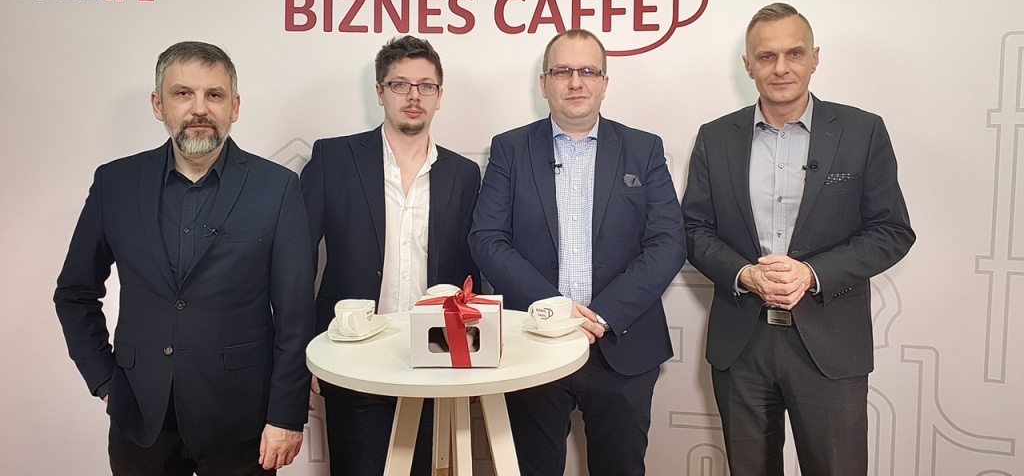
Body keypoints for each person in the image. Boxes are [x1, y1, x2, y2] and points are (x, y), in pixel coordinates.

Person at [53, 41, 315, 475]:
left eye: (214, 95)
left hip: (242, 421)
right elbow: (75, 293)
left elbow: (296, 314)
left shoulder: (277, 188)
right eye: (182, 94)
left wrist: (286, 415)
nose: (199, 109)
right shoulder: (115, 183)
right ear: (159, 104)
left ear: (235, 107)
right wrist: (103, 380)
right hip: (139, 418)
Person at [681, 2, 916, 476]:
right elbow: (693, 229)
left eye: (794, 53)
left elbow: (892, 231)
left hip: (829, 343)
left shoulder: (862, 131)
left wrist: (811, 274)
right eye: (766, 56)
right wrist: (745, 274)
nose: (781, 68)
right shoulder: (715, 137)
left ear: (815, 58)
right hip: (741, 344)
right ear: (748, 65)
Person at [469, 29, 686, 476]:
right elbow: (487, 238)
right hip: (532, 343)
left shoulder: (643, 149)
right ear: (543, 82)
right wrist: (555, 310)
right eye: (562, 71)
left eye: (588, 70)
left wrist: (602, 315)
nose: (575, 82)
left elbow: (669, 242)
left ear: (604, 82)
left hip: (622, 346)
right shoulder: (509, 149)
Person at [300, 35, 480, 476]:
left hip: (436, 358)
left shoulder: (463, 174)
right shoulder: (333, 159)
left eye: (426, 86)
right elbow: (295, 263)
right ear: (380, 92)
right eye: (400, 84)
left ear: (440, 95)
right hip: (352, 353)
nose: (414, 96)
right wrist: (301, 355)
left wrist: (474, 354)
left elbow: (472, 271)